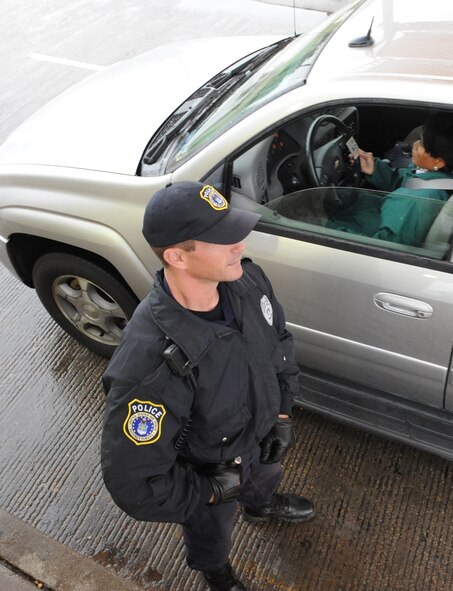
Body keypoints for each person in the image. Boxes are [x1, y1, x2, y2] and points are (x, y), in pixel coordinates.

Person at [100, 181, 314, 591]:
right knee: (211, 534)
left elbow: (280, 344)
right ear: (177, 256)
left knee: (267, 473)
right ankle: (216, 573)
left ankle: (260, 504)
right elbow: (134, 482)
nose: (240, 244)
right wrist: (206, 490)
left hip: (261, 440)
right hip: (211, 473)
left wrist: (283, 412)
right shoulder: (148, 365)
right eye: (222, 239)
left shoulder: (247, 282)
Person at [327, 112, 453, 246]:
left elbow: (383, 247)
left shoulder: (414, 202)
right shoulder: (445, 178)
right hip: (389, 217)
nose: (415, 145)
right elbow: (410, 182)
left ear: (438, 162)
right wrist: (375, 170)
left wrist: (333, 232)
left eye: (422, 144)